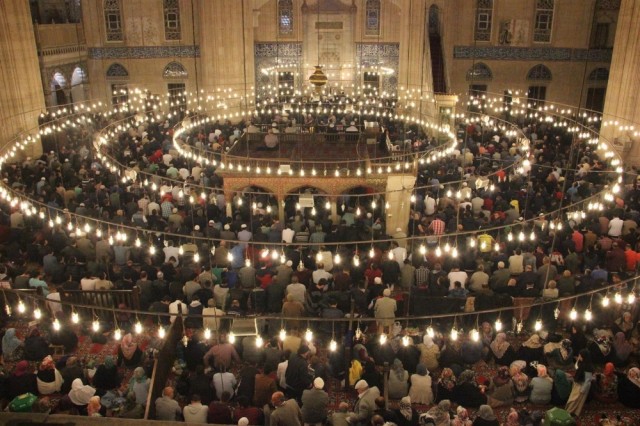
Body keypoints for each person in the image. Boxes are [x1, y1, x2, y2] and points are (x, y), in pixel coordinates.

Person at [565, 349, 594, 416]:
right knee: (573, 399)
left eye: (580, 356)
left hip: (582, 385)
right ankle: (570, 411)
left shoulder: (588, 367)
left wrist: (582, 390)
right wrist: (578, 360)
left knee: (575, 400)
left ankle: (570, 412)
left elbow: (588, 380)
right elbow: (577, 367)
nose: (579, 357)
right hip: (578, 383)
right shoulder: (583, 363)